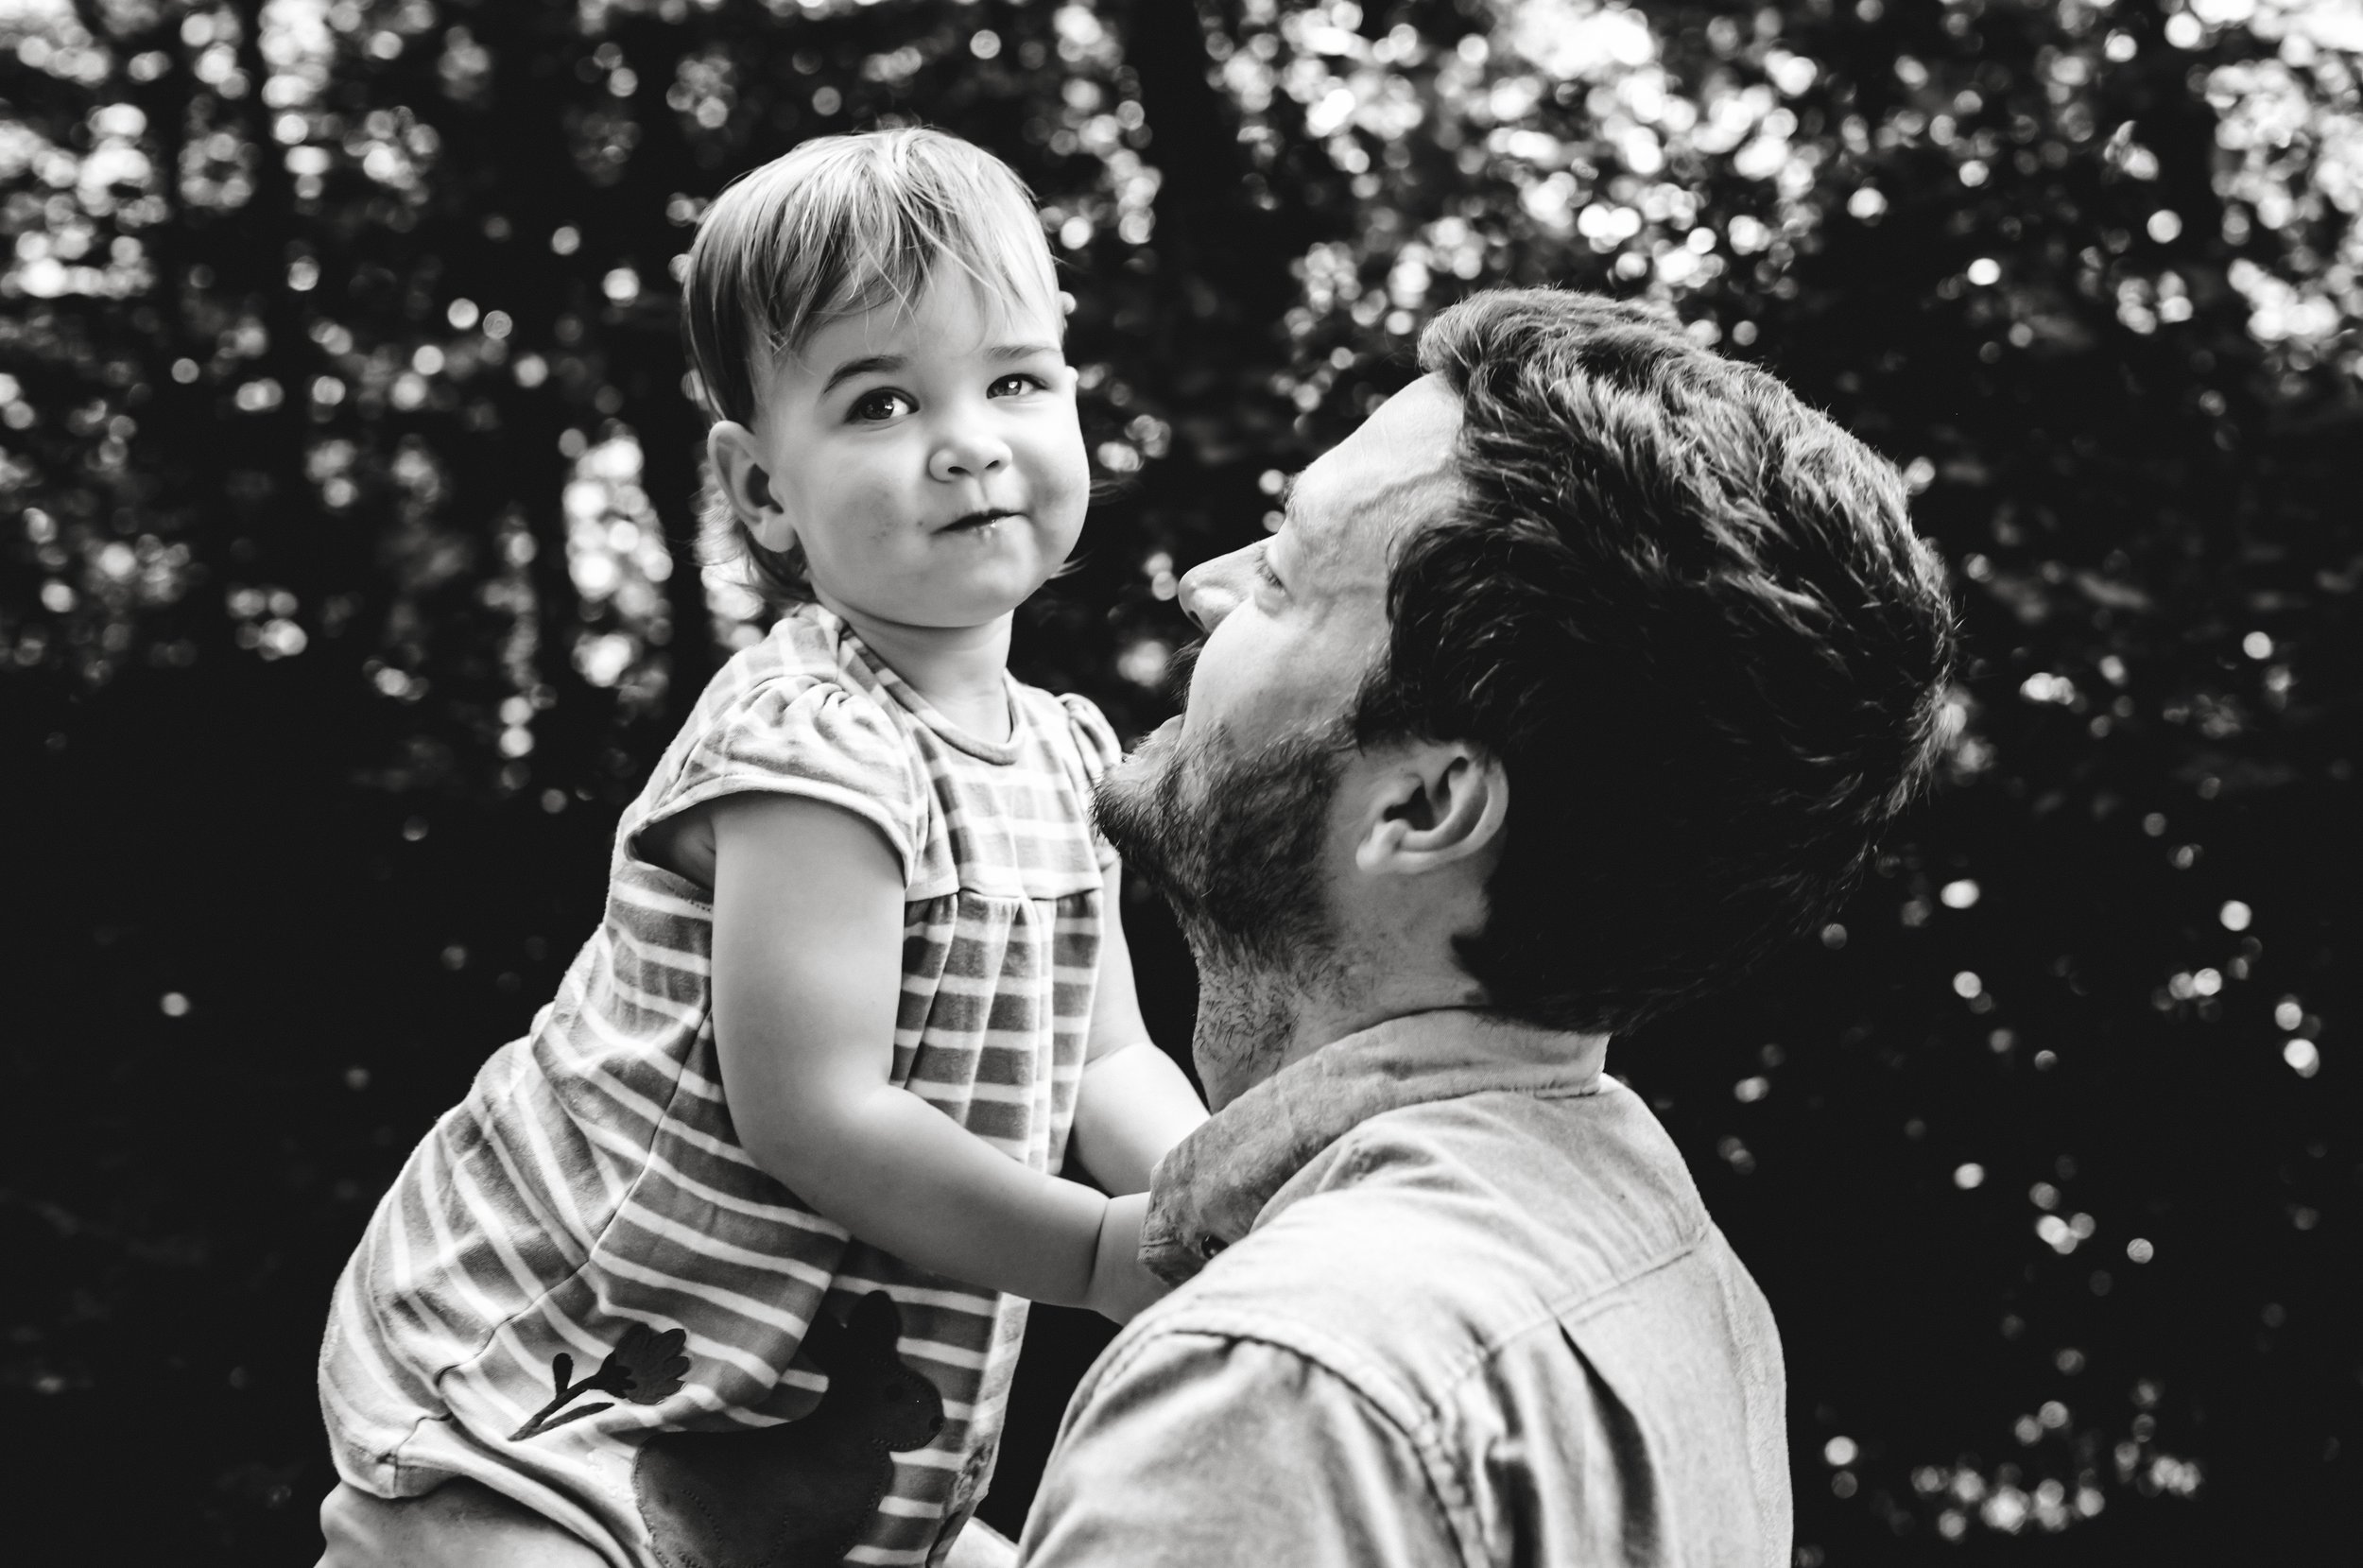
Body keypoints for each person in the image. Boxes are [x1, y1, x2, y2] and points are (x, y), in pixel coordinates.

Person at [314, 129, 1206, 1568]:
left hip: (779, 1435)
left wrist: (1223, 1206)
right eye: (880, 401)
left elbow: (1111, 1062)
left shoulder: (1064, 754)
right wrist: (1102, 1254)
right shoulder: (813, 742)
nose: (970, 437)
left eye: (1017, 380)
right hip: (556, 1414)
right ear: (762, 492)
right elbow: (821, 1116)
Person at [1019, 289, 1958, 1566]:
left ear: (1424, 801)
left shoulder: (1281, 1396)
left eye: (1284, 573)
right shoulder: (1675, 1270)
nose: (1203, 588)